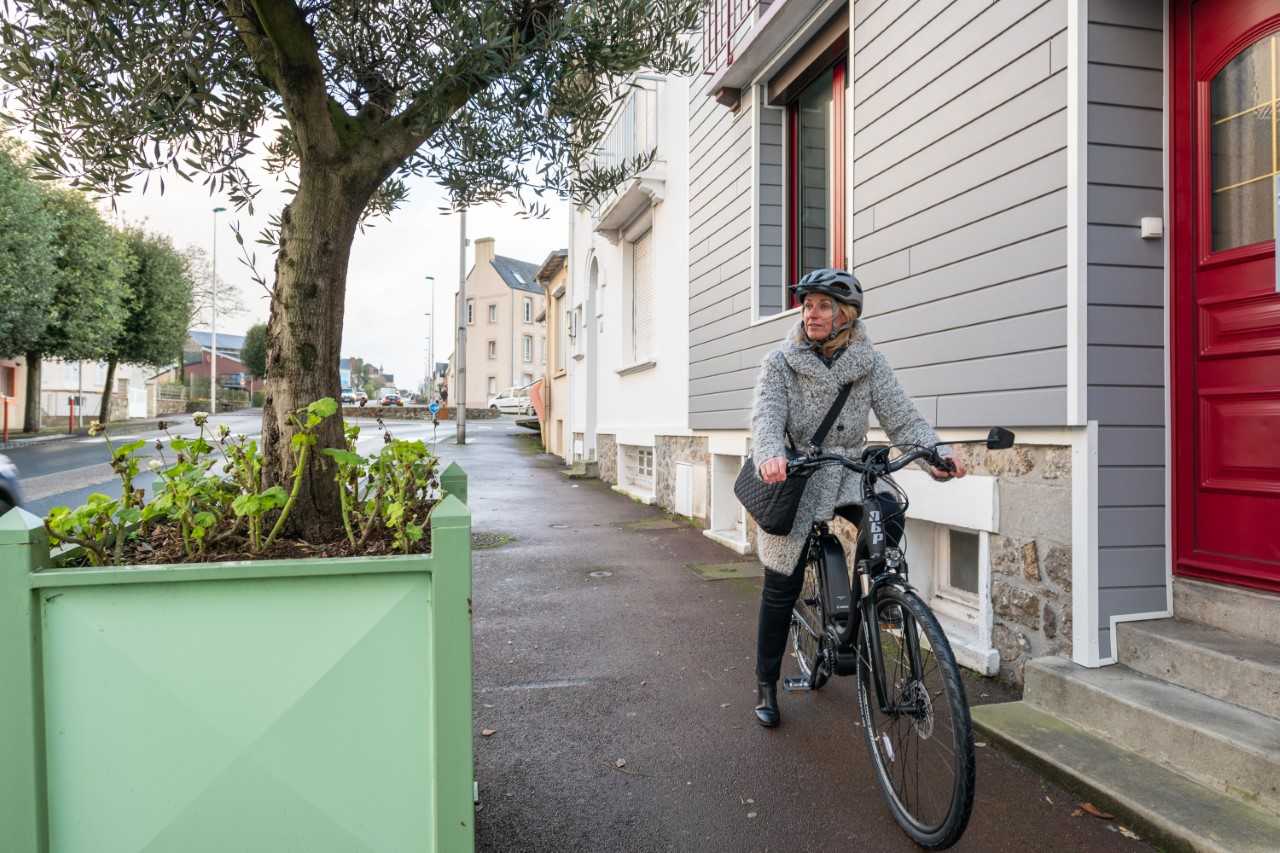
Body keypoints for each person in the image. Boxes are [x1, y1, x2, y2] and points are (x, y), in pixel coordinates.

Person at [748, 267, 966, 728]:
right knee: (781, 581)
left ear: (846, 315)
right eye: (807, 305)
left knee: (888, 512)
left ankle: (875, 598)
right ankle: (767, 682)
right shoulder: (780, 362)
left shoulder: (870, 362)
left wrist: (937, 453)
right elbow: (766, 418)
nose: (812, 313)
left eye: (823, 305)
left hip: (847, 469)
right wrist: (770, 454)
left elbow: (903, 421)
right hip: (797, 474)